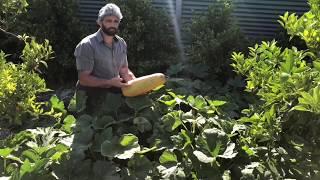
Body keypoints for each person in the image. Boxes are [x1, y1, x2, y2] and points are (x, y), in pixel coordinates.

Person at [74, 3, 135, 114]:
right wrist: (110, 82)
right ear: (100, 22)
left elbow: (124, 70)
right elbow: (84, 78)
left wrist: (137, 85)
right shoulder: (87, 45)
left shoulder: (121, 43)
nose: (112, 24)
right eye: (108, 21)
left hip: (112, 89)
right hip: (90, 93)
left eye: (116, 21)